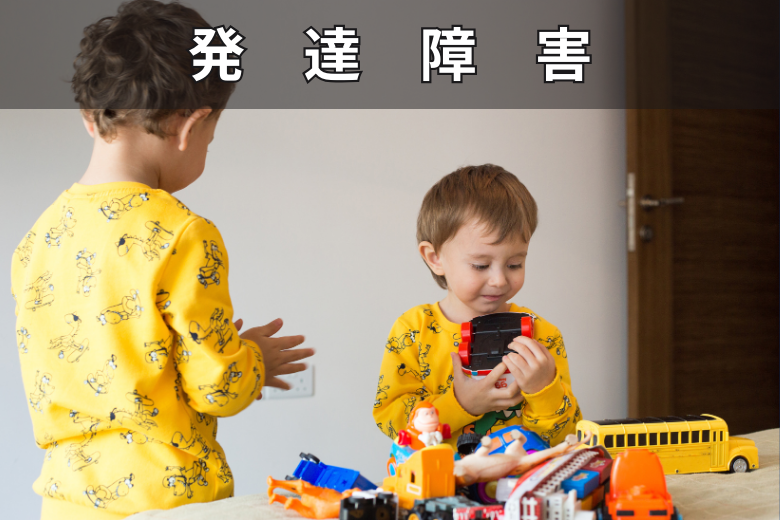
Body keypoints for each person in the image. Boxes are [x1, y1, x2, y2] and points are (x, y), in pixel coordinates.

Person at [11, 1, 314, 518]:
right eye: (210, 140)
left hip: (64, 502)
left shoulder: (38, 238)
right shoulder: (183, 235)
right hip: (164, 499)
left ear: (89, 117)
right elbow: (216, 388)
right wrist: (253, 360)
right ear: (190, 125)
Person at [373, 164, 581, 452]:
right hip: (440, 477)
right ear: (435, 258)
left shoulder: (542, 335)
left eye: (515, 264)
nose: (499, 280)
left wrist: (544, 390)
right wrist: (460, 404)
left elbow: (568, 439)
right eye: (481, 265)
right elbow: (391, 421)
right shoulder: (413, 330)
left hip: (520, 477)